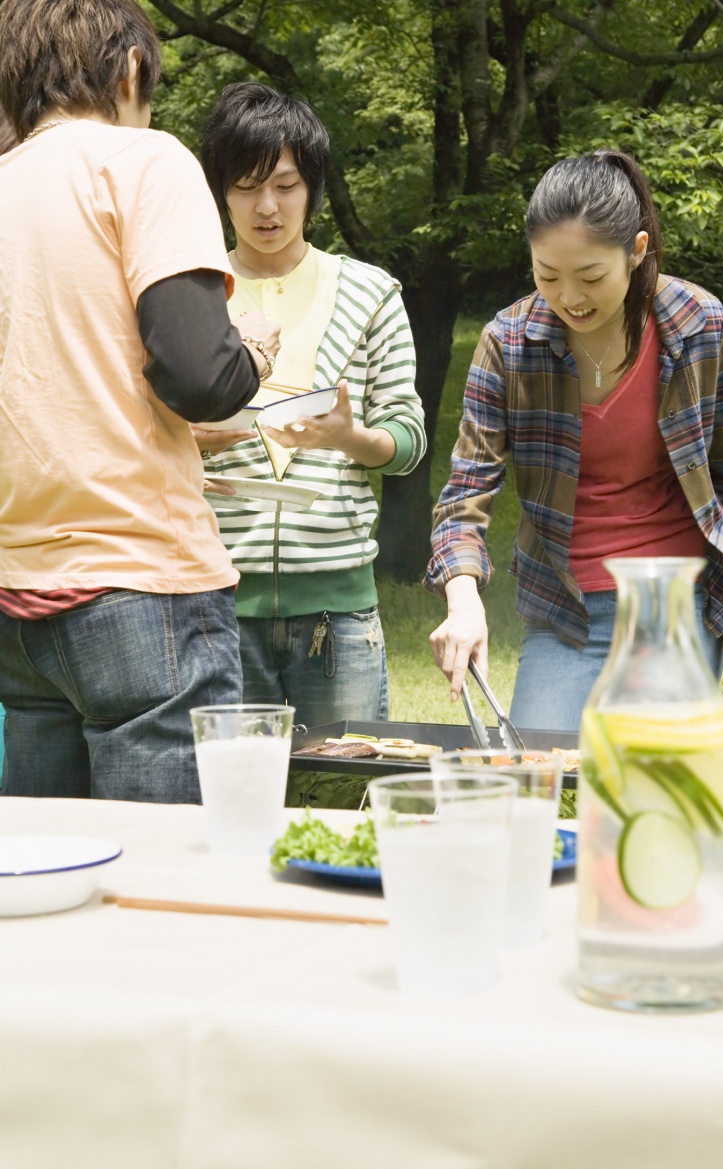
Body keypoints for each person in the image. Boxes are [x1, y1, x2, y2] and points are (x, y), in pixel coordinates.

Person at [0, 0, 280, 801]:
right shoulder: (145, 161)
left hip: (18, 600)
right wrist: (253, 351)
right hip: (142, 589)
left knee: (46, 886)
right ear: (127, 71)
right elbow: (200, 373)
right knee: (159, 886)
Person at [425, 150, 723, 732]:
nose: (569, 296)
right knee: (536, 784)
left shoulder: (697, 323)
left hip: (677, 602)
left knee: (661, 791)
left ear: (637, 251)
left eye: (590, 276)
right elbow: (465, 493)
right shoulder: (509, 343)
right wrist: (463, 600)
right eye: (547, 275)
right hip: (566, 611)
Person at [197, 83, 426, 726]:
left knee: (342, 800)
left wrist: (350, 438)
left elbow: (407, 439)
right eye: (245, 185)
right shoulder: (187, 293)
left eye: (286, 185)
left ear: (313, 189)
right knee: (229, 805)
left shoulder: (370, 292)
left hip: (339, 613)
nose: (266, 206)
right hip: (215, 606)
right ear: (220, 191)